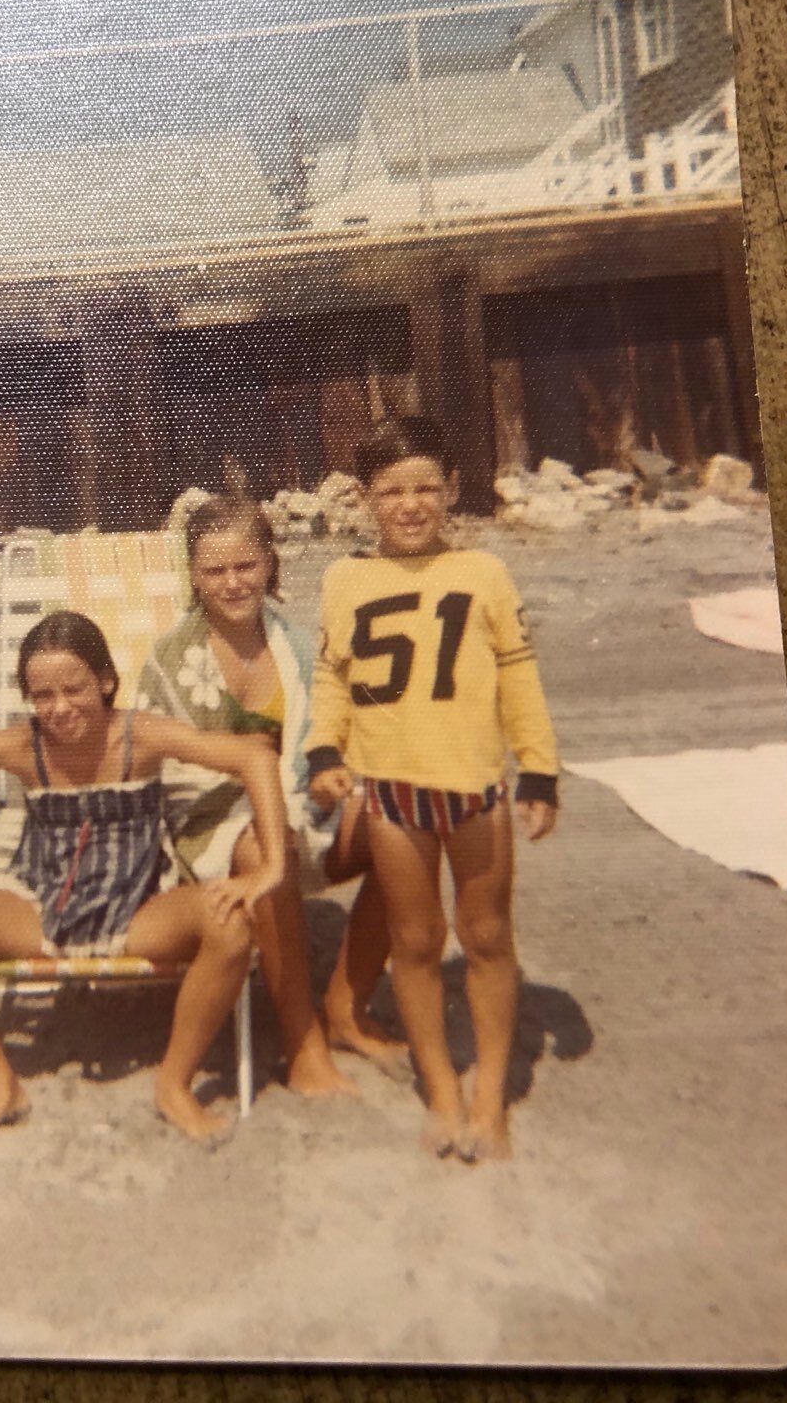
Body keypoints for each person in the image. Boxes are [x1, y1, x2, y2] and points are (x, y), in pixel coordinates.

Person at [0, 610, 289, 1154]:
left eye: (75, 689)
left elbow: (253, 756)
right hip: (47, 914)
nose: (60, 707)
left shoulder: (142, 736)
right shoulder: (25, 747)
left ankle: (174, 1083)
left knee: (232, 925)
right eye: (43, 695)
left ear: (106, 682)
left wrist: (272, 865)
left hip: (138, 914)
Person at [306, 416, 559, 1162]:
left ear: (451, 488)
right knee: (416, 943)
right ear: (363, 498)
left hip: (474, 788)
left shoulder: (483, 573)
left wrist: (538, 763)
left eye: (425, 488)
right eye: (391, 491)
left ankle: (490, 1099)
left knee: (485, 937)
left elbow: (518, 673)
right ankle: (443, 1086)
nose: (410, 505)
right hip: (392, 794)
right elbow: (331, 676)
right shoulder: (345, 578)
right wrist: (326, 748)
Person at [138, 496, 393, 1093]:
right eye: (215, 571)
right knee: (264, 843)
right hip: (211, 823)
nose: (232, 583)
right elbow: (167, 769)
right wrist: (265, 799)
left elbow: (332, 736)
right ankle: (301, 1043)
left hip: (301, 806)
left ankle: (346, 1007)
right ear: (194, 578)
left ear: (270, 564)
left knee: (399, 822)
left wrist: (331, 778)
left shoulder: (299, 650)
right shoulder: (171, 659)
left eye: (246, 566)